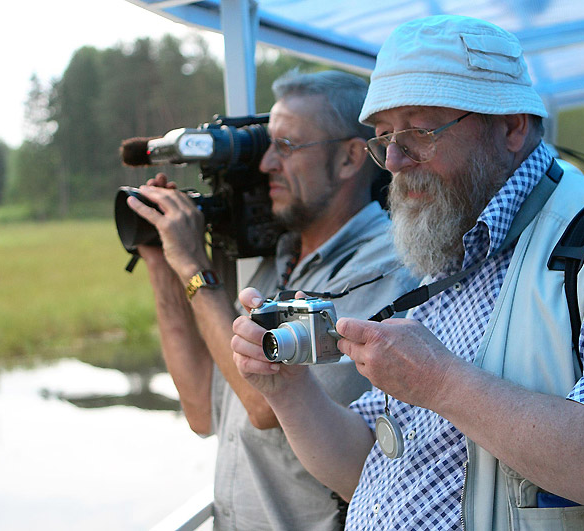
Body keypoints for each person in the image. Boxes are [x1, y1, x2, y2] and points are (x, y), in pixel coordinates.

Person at [232, 15, 584, 530]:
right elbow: (369, 470)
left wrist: (440, 382)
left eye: (419, 129)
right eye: (382, 136)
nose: (394, 159)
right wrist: (287, 390)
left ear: (511, 125)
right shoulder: (450, 249)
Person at [126, 69, 418, 530]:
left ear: (348, 159)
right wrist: (164, 263)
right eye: (266, 147)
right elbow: (203, 410)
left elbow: (264, 407)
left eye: (286, 146)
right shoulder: (279, 259)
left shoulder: (384, 267)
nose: (265, 166)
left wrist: (196, 270)